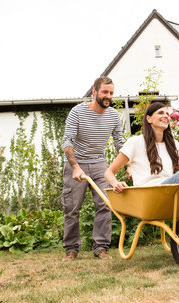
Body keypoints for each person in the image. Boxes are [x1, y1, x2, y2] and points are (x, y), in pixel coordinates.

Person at [61, 76, 125, 261]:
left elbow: (120, 143)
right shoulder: (77, 112)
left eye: (111, 93)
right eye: (105, 92)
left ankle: (101, 248)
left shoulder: (113, 115)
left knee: (105, 204)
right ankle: (71, 249)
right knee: (72, 208)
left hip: (99, 164)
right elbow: (67, 141)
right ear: (94, 92)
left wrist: (129, 165)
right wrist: (74, 167)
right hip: (77, 163)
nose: (108, 96)